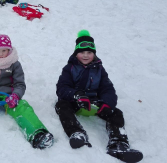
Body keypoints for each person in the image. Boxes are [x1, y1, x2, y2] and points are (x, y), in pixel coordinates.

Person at [55, 30, 143, 162]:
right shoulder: (70, 68)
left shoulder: (99, 70)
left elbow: (108, 89)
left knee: (116, 112)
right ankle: (77, 133)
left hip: (94, 104)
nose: (85, 55)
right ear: (76, 53)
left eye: (89, 52)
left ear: (94, 54)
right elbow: (62, 88)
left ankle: (118, 143)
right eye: (82, 52)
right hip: (76, 102)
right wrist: (77, 95)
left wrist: (107, 103)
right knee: (61, 105)